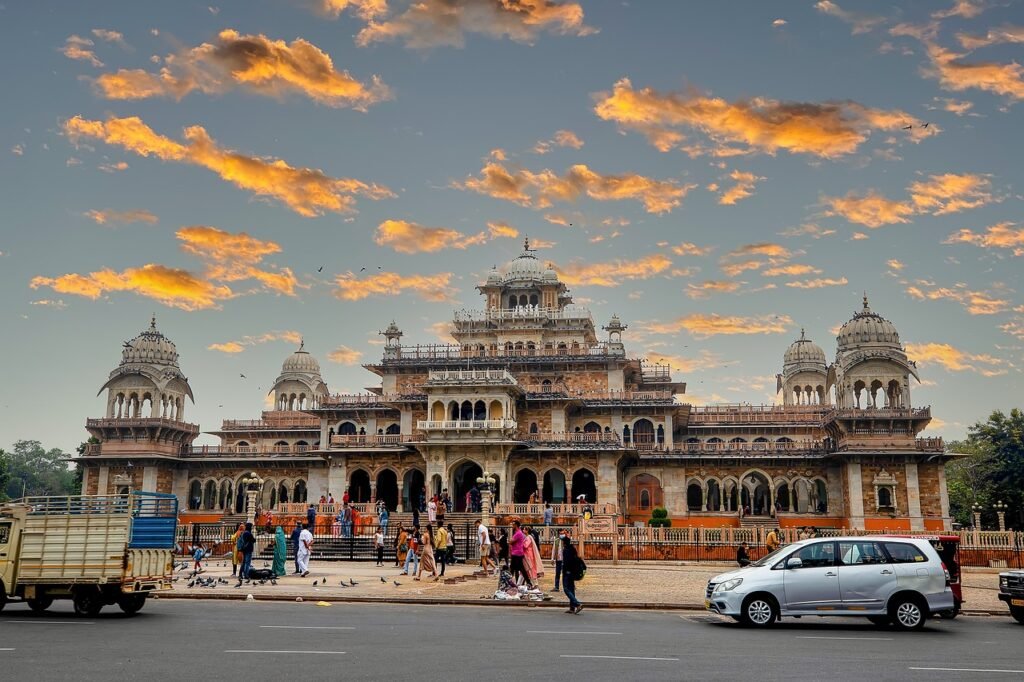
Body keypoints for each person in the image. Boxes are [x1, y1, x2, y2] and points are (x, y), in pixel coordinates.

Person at [561, 534, 583, 614]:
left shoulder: (566, 550)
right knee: (571, 589)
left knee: (566, 589)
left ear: (564, 543)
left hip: (567, 571)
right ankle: (572, 607)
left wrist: (565, 570)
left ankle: (577, 604)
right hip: (573, 571)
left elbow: (566, 562)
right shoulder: (573, 549)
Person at [509, 520, 532, 588]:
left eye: (513, 524)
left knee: (519, 569)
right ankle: (511, 582)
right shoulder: (517, 533)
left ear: (516, 525)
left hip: (517, 553)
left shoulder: (518, 533)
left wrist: (511, 541)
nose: (512, 526)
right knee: (515, 568)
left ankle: (528, 582)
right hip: (517, 552)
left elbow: (511, 541)